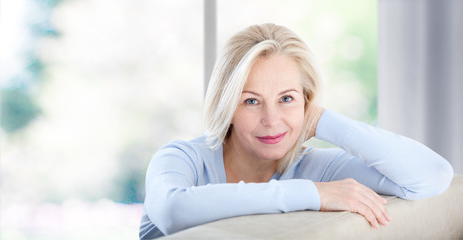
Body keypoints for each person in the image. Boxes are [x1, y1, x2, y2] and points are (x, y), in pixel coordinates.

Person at [138, 23, 454, 239]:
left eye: (287, 98)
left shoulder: (317, 167)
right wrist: (314, 194)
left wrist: (322, 121)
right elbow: (172, 210)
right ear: (227, 107)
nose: (271, 119)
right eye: (251, 101)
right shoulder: (181, 158)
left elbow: (432, 176)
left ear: (306, 99)